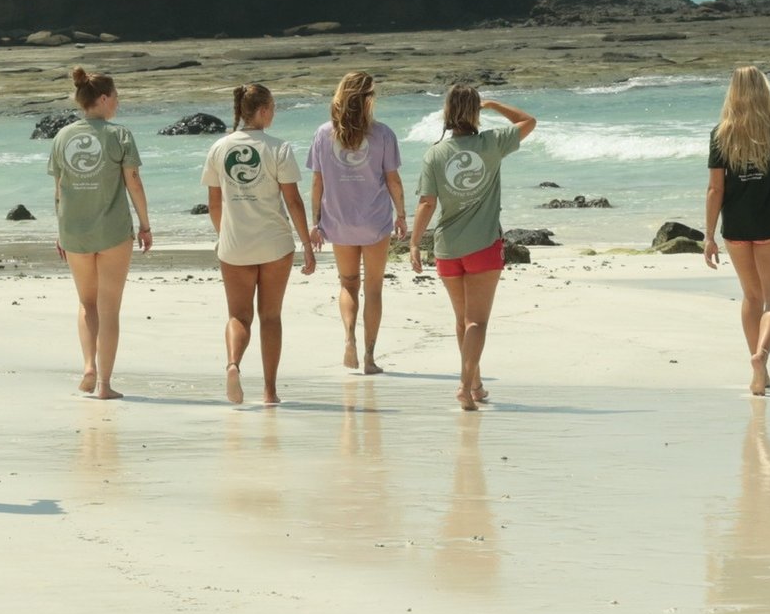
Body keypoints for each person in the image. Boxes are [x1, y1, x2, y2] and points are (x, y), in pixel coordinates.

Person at [409, 85, 537, 411]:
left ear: (447, 112)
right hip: (483, 247)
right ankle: (465, 388)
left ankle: (476, 384)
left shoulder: (434, 154)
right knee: (476, 323)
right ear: (475, 112)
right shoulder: (491, 144)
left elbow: (426, 203)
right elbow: (529, 121)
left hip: (447, 250)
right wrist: (493, 104)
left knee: (462, 321)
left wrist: (413, 242)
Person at [702, 66, 770, 396]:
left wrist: (708, 235)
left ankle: (760, 373)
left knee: (752, 296)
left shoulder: (721, 133)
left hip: (735, 226)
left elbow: (714, 189)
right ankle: (761, 357)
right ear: (764, 91)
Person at [203, 83, 315, 404]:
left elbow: (214, 204)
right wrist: (306, 244)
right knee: (270, 317)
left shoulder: (219, 148)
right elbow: (293, 201)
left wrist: (224, 234)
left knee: (239, 316)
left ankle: (233, 364)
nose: (274, 114)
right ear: (263, 111)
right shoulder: (279, 149)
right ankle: (269, 391)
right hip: (275, 244)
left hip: (235, 244)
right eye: (273, 108)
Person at [49, 66, 151, 399]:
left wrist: (60, 229)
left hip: (74, 232)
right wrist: (145, 224)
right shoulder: (119, 135)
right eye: (116, 98)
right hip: (113, 233)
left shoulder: (62, 136)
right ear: (104, 99)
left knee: (86, 303)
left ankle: (88, 366)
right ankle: (105, 385)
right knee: (109, 309)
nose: (118, 104)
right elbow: (133, 182)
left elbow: (59, 189)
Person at [306, 70, 406, 374]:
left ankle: (349, 338)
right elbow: (393, 181)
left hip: (338, 221)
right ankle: (370, 357)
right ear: (367, 100)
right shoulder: (384, 134)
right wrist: (402, 215)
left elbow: (317, 183)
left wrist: (316, 222)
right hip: (374, 222)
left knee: (348, 284)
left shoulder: (323, 134)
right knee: (373, 288)